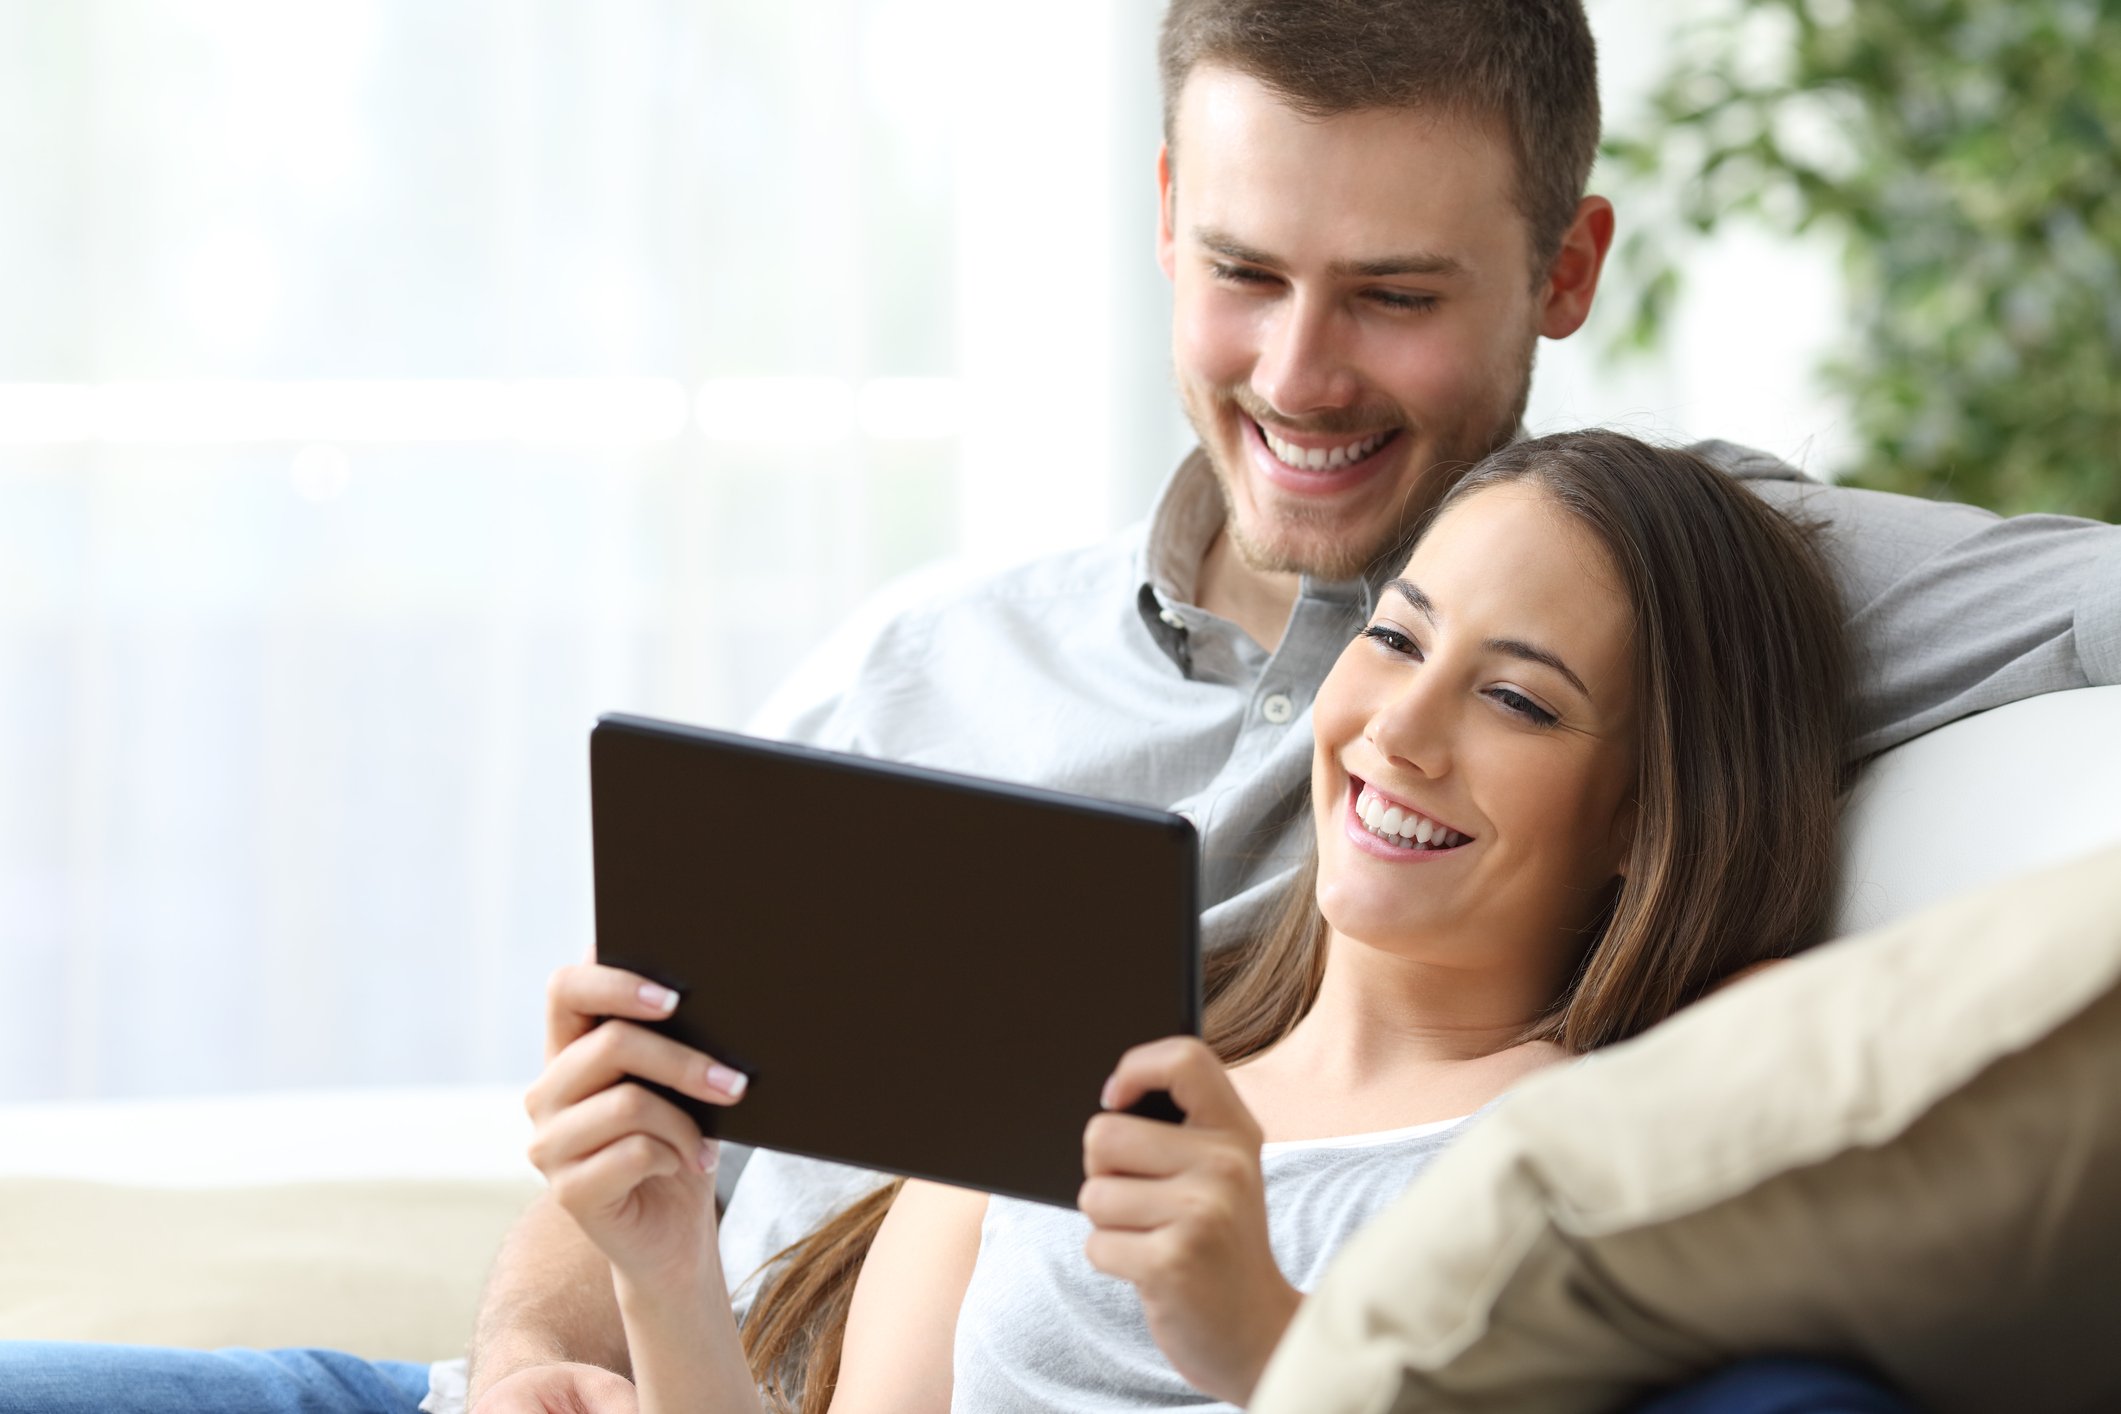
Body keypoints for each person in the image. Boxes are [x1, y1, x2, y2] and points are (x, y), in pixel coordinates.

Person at [2, 0, 2114, 1410]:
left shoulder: (1688, 589)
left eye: (1392, 295)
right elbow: (643, 1122)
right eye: (1244, 272)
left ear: (1563, 272)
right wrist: (564, 1336)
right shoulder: (933, 659)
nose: (1298, 373)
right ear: (1166, 220)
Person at [524, 430, 1870, 1413]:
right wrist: (664, 1263)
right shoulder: (1069, 1070)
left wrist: (1267, 1342)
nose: (1398, 730)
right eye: (1396, 640)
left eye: (1516, 699)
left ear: (1650, 815)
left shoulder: (1613, 1129)